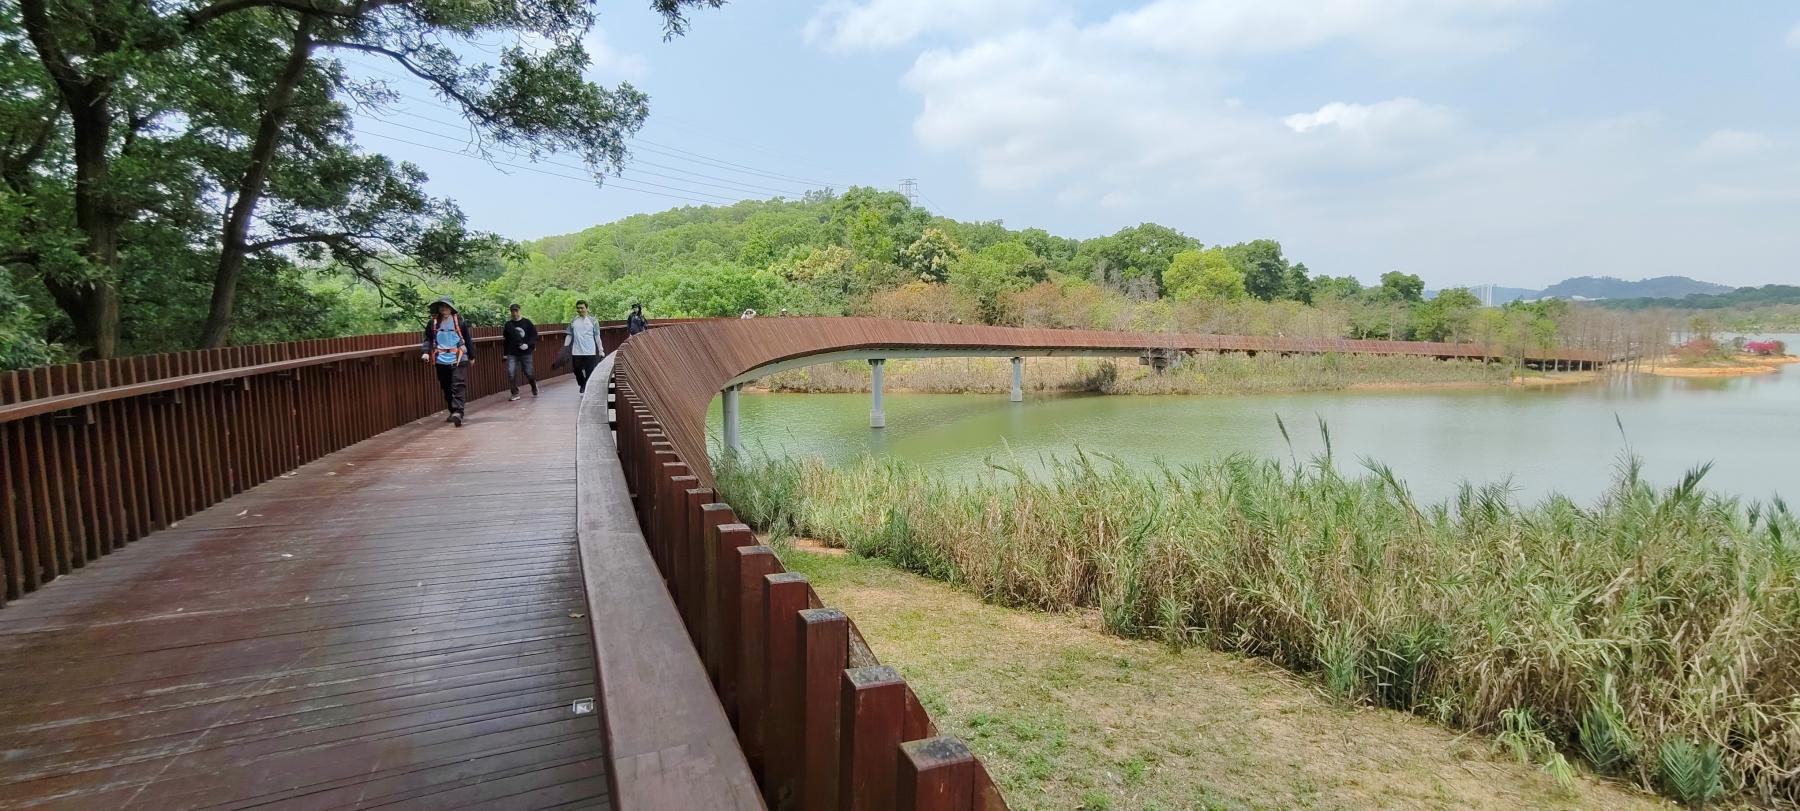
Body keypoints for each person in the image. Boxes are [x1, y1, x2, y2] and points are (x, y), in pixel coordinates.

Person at [421, 297, 474, 427]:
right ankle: (453, 411)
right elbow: (428, 339)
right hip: (441, 359)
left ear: (451, 308)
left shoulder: (459, 322)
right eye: (442, 306)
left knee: (458, 385)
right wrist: (425, 352)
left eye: (446, 306)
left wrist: (471, 356)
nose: (444, 309)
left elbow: (467, 339)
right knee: (446, 386)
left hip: (458, 357)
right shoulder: (433, 323)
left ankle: (458, 412)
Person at [565, 299, 602, 393]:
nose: (580, 310)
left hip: (590, 350)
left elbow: (597, 336)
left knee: (589, 371)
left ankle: (585, 387)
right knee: (576, 370)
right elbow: (569, 335)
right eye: (578, 308)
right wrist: (565, 347)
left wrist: (601, 350)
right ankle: (582, 384)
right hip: (576, 350)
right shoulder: (573, 321)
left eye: (582, 308)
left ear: (586, 308)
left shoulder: (593, 321)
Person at [503, 303, 539, 400]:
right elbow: (506, 339)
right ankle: (515, 393)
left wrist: (528, 345)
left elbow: (534, 336)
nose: (515, 313)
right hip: (512, 352)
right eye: (512, 311)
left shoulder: (527, 322)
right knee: (511, 372)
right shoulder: (508, 325)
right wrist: (505, 353)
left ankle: (533, 386)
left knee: (529, 372)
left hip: (525, 352)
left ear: (520, 311)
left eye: (516, 311)